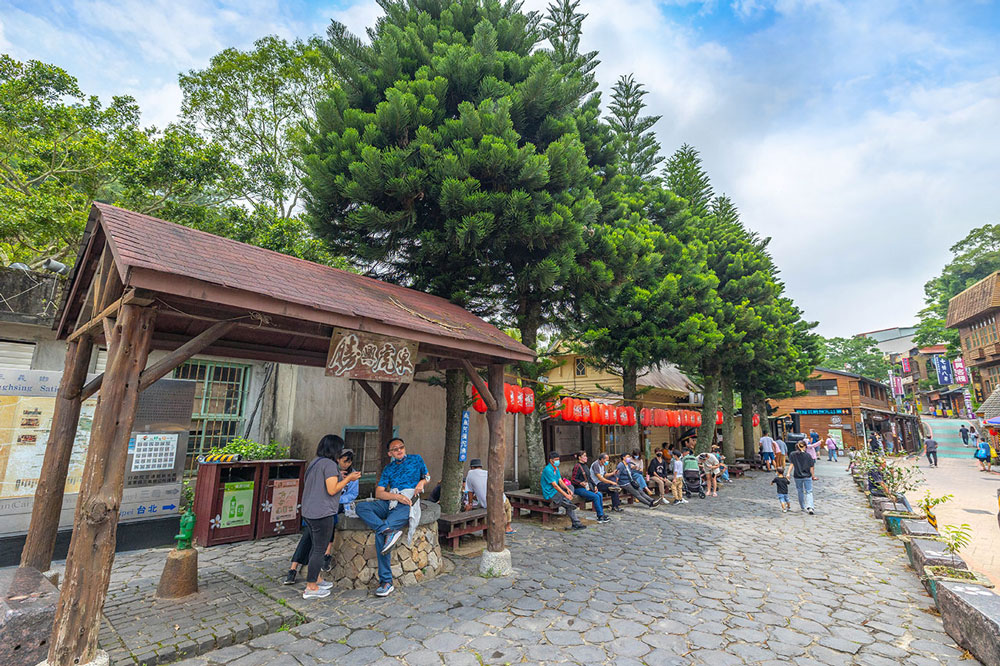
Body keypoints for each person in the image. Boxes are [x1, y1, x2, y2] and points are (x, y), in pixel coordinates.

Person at [355, 437, 429, 597]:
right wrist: (396, 497)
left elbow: (427, 476)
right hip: (392, 501)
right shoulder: (388, 469)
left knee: (380, 535)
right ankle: (386, 530)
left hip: (407, 502)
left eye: (401, 447)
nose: (399, 450)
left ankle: (386, 582)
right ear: (390, 453)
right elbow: (379, 493)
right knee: (361, 507)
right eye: (395, 449)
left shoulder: (416, 459)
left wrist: (422, 482)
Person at [296, 435, 362, 599]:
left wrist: (339, 475)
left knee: (314, 547)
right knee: (319, 549)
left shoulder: (316, 462)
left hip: (309, 511)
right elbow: (332, 490)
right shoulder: (330, 465)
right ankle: (311, 587)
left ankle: (316, 578)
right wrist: (348, 478)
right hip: (322, 512)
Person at [465, 458, 515, 534]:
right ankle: (507, 527)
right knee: (508, 506)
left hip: (485, 504)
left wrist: (470, 503)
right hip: (500, 500)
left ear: (471, 467)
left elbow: (470, 492)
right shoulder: (487, 473)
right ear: (480, 467)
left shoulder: (470, 474)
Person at [541, 450, 586, 529]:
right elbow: (555, 485)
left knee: (570, 487)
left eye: (558, 459)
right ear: (551, 460)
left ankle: (568, 502)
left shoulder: (556, 468)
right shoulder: (548, 470)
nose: (558, 461)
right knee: (566, 501)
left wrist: (567, 489)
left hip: (557, 491)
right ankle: (575, 520)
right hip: (550, 492)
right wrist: (565, 494)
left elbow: (560, 481)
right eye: (556, 460)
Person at [569, 451, 610, 523]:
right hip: (578, 488)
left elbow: (589, 478)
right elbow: (573, 479)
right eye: (584, 456)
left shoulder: (585, 466)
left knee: (599, 494)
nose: (586, 457)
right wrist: (580, 483)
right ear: (579, 457)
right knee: (595, 496)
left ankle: (602, 513)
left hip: (587, 487)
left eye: (586, 456)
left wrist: (594, 486)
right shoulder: (577, 466)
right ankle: (600, 516)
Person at [786, 440, 817, 514]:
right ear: (805, 447)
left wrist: (788, 473)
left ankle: (802, 506)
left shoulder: (793, 454)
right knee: (809, 491)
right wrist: (813, 476)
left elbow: (791, 465)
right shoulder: (808, 455)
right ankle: (810, 507)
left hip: (797, 475)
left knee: (800, 490)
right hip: (807, 476)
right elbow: (811, 467)